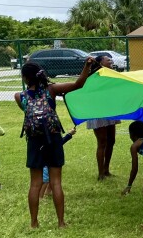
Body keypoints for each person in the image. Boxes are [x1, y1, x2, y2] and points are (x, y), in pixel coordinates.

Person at [15, 58, 94, 229]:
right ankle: (61, 222)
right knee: (56, 182)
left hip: (34, 141)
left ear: (25, 78)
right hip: (53, 138)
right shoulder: (52, 89)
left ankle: (34, 223)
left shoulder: (19, 96)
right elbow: (78, 84)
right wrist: (87, 66)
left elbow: (28, 111)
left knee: (35, 184)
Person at [86, 54, 120, 180]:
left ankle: (106, 170)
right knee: (102, 142)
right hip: (97, 111)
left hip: (110, 110)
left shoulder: (112, 75)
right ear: (100, 63)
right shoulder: (93, 77)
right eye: (107, 59)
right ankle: (100, 173)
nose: (110, 61)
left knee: (111, 140)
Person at [39, 128, 77, 199]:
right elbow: (60, 142)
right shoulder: (47, 137)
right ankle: (40, 197)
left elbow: (60, 142)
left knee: (52, 177)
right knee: (46, 180)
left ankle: (48, 192)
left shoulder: (51, 136)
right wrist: (69, 134)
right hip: (46, 161)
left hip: (53, 160)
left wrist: (69, 134)